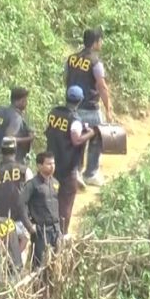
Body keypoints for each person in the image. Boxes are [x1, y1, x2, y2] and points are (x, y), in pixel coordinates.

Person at [65, 27, 114, 187]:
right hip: (91, 108)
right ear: (95, 43)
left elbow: (66, 79)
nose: (102, 43)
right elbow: (102, 86)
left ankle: (76, 171)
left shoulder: (71, 59)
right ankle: (90, 173)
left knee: (76, 140)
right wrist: (108, 108)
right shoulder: (95, 62)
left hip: (73, 107)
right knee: (96, 138)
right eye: (101, 40)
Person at [47, 85, 98, 235]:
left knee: (51, 199)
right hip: (67, 166)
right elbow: (76, 140)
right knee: (66, 202)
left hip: (50, 163)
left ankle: (49, 230)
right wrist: (91, 133)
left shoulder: (54, 113)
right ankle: (63, 234)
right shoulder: (74, 119)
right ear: (80, 101)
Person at [20, 153, 62, 269]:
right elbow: (21, 205)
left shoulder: (55, 183)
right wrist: (29, 226)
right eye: (48, 164)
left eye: (53, 163)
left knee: (56, 264)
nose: (52, 166)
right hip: (41, 231)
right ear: (39, 166)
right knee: (40, 265)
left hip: (55, 229)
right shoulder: (32, 185)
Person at [0, 136, 33, 225]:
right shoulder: (25, 171)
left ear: (1, 151)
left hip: (0, 224)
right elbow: (33, 197)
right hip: (22, 222)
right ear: (15, 151)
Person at [0, 86, 35, 162]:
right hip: (12, 158)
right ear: (19, 101)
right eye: (25, 100)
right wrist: (30, 138)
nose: (26, 103)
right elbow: (9, 139)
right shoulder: (15, 117)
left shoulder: (1, 110)